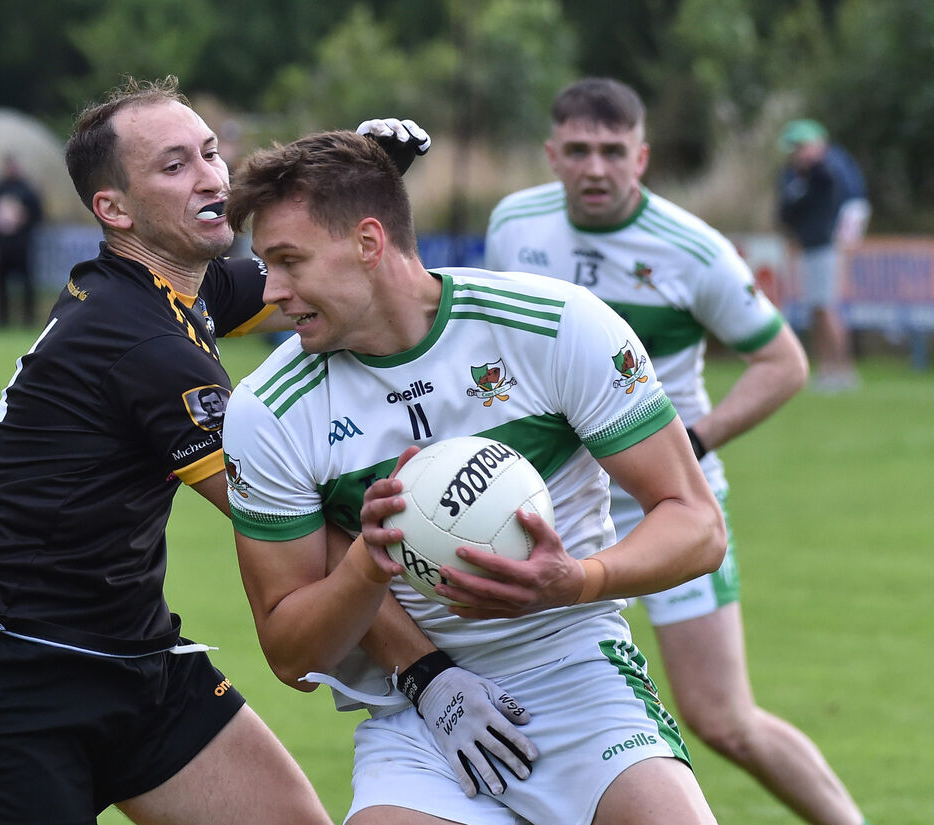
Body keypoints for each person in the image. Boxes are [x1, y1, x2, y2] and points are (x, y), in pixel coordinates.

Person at [0, 76, 433, 825]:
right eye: (174, 166)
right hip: (6, 676)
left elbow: (301, 275)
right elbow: (285, 527)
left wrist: (358, 180)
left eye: (211, 152)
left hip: (137, 658)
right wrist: (430, 669)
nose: (211, 175)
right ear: (113, 209)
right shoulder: (139, 339)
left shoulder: (182, 287)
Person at [221, 128, 728, 825]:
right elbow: (288, 653)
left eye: (288, 261)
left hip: (580, 678)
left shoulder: (554, 326)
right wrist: (366, 567)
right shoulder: (267, 411)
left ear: (368, 242)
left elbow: (698, 524)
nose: (270, 292)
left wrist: (579, 579)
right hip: (417, 721)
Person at [485, 78, 868, 825]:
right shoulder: (514, 225)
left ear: (643, 156)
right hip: (549, 506)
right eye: (579, 151)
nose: (596, 168)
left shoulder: (693, 249)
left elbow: (785, 362)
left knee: (723, 719)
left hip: (663, 504)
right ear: (552, 155)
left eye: (613, 151)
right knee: (520, 707)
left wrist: (689, 442)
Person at [777, 118, 869, 393]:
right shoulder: (798, 174)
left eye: (801, 147)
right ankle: (826, 369)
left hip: (826, 246)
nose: (796, 154)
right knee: (816, 308)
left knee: (827, 307)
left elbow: (849, 203)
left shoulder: (828, 170)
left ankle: (842, 370)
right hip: (810, 247)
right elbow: (786, 210)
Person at [0, 152, 44, 327]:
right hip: (2, 245)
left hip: (22, 244)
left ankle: (28, 319)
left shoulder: (27, 190)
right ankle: (2, 320)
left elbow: (37, 215)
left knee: (27, 283)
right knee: (0, 284)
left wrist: (22, 219)